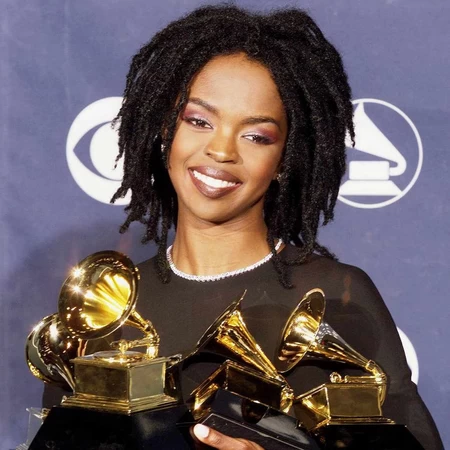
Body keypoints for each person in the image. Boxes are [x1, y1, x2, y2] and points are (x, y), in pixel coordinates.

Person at [44, 4, 442, 449]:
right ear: (165, 132)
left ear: (284, 159)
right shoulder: (104, 308)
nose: (221, 150)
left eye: (256, 136)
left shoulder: (339, 296)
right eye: (198, 121)